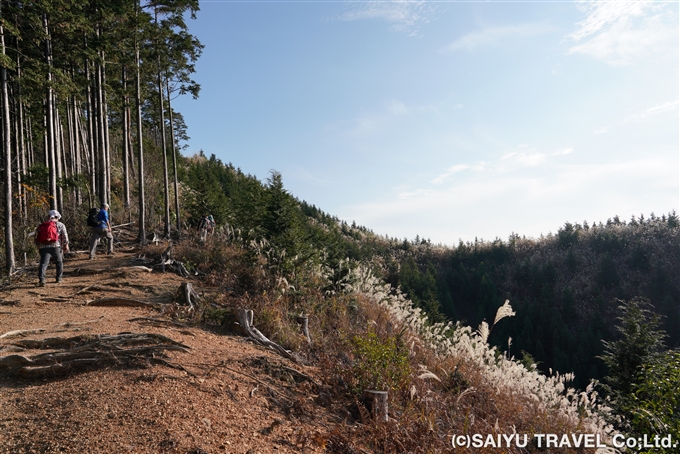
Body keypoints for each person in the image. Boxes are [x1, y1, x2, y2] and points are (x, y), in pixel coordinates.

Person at [35, 210, 69, 286]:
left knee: (43, 263)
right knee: (59, 262)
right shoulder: (60, 225)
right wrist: (65, 245)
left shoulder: (42, 225)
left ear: (48, 216)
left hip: (43, 246)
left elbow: (36, 235)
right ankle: (59, 278)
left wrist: (38, 245)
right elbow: (64, 236)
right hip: (56, 246)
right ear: (58, 217)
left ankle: (42, 280)